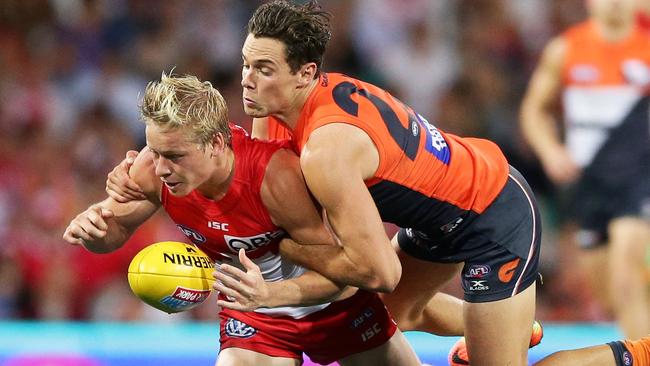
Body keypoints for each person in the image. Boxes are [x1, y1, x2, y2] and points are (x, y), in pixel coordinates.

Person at [103, 1, 544, 364]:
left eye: (264, 69)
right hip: (435, 215)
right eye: (245, 63)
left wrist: (283, 256)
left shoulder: (325, 151)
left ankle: (610, 354)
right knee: (385, 314)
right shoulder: (280, 114)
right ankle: (495, 324)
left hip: (491, 211)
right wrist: (138, 179)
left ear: (305, 73)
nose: (246, 80)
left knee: (389, 303)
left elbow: (379, 272)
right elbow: (236, 178)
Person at [63, 73, 421, 366]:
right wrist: (94, 230)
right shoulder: (152, 169)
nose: (160, 168)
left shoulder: (276, 178)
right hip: (255, 317)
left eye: (174, 156)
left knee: (422, 316)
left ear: (217, 144)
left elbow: (340, 276)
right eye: (154, 152)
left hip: (333, 307)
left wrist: (271, 293)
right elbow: (114, 231)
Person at [520, 0, 650, 339]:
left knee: (626, 277)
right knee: (609, 296)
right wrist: (550, 151)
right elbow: (534, 110)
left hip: (640, 179)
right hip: (590, 182)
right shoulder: (565, 49)